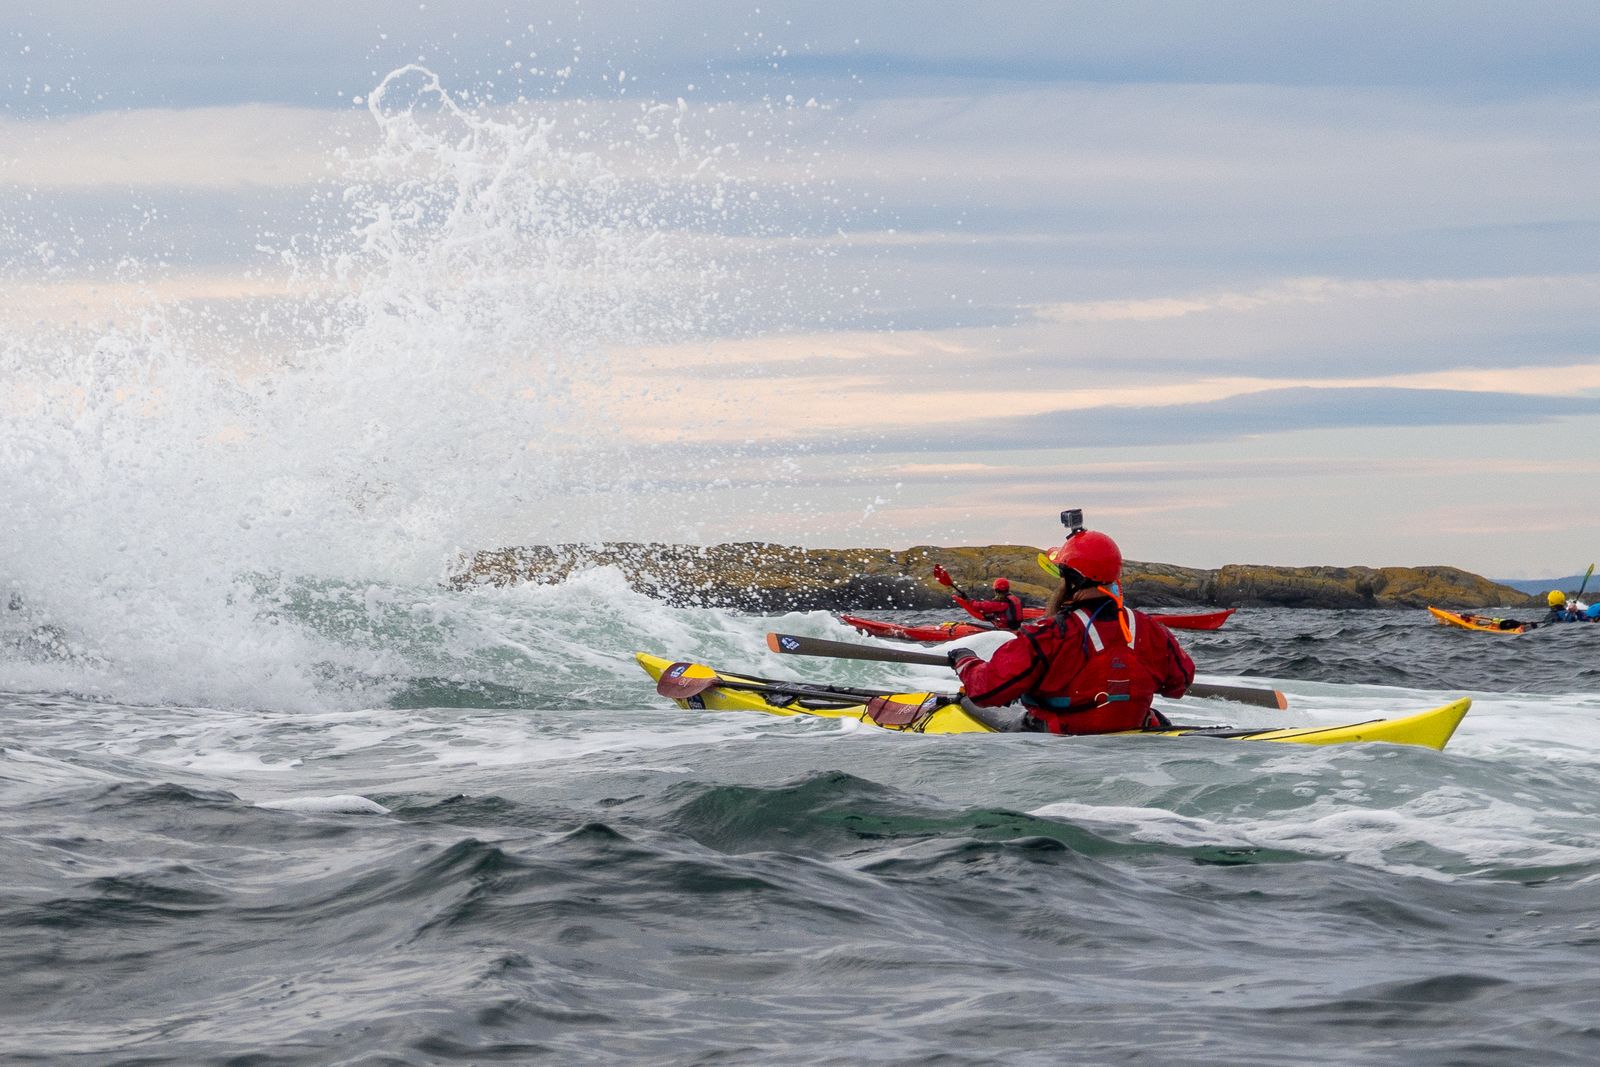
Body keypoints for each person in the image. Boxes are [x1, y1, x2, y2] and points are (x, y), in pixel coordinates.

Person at [945, 528, 1195, 734]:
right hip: (1131, 742)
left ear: (1072, 580)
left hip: (1061, 748)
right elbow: (1178, 686)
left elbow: (986, 690)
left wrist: (965, 660)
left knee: (969, 701)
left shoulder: (1049, 633)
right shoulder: (1151, 629)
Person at [931, 566, 1025, 630]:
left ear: (996, 590)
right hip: (1014, 629)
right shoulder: (1014, 599)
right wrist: (991, 617)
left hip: (1004, 631)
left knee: (968, 625)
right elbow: (1006, 614)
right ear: (1007, 589)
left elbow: (977, 606)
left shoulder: (1000, 604)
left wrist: (967, 599)